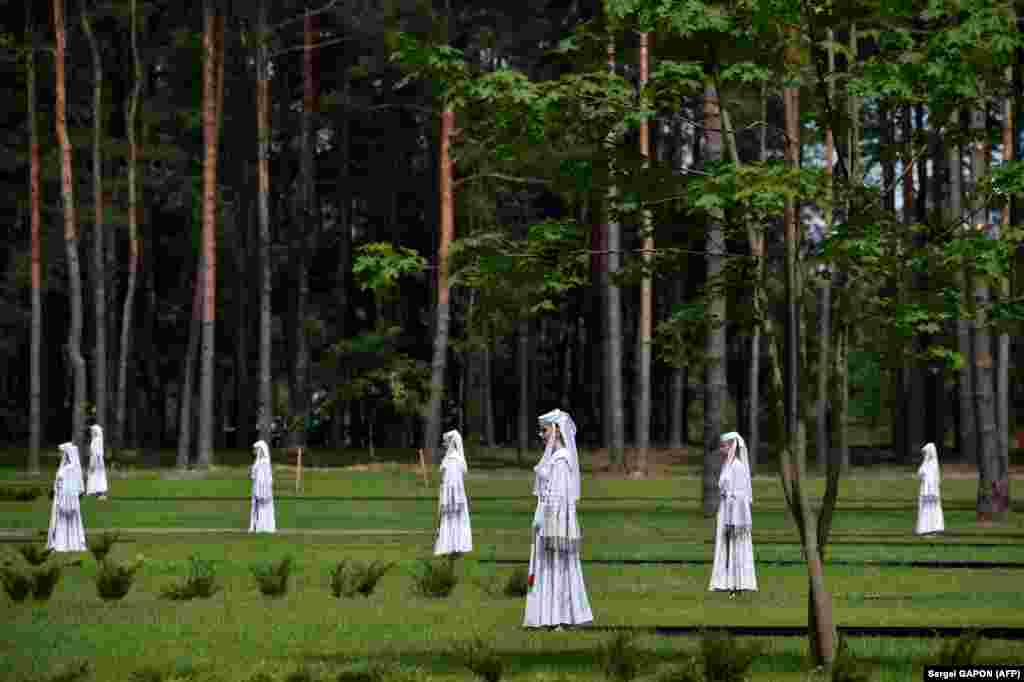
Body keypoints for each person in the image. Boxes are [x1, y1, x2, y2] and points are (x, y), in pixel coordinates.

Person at [524, 408, 593, 630]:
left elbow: (559, 500)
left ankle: (558, 618)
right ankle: (549, 617)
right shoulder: (554, 459)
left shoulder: (561, 461)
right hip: (547, 521)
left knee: (556, 568)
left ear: (555, 431)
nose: (541, 435)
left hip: (554, 524)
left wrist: (552, 529)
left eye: (544, 430)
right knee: (548, 568)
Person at [709, 432, 757, 596]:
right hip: (725, 509)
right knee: (725, 545)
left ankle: (738, 584)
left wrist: (735, 517)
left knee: (736, 546)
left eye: (724, 446)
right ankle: (725, 581)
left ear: (731, 447)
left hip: (735, 512)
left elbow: (742, 494)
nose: (721, 449)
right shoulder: (727, 465)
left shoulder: (738, 466)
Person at [434, 429, 473, 557]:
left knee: (452, 520)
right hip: (453, 496)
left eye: (446, 442)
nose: (444, 445)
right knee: (453, 520)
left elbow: (453, 483)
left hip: (453, 497)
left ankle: (453, 546)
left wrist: (450, 498)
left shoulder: (453, 460)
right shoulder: (452, 459)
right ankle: (452, 546)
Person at [47, 443, 87, 552]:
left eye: (62, 453)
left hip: (62, 499)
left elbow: (59, 484)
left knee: (61, 521)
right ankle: (74, 543)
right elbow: (79, 489)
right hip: (73, 501)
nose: (61, 455)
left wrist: (59, 493)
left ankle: (61, 543)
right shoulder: (75, 469)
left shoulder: (65, 470)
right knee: (73, 522)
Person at [915, 442, 944, 535]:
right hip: (925, 489)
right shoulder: (926, 463)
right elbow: (919, 474)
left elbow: (931, 479)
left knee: (931, 508)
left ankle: (933, 528)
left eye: (925, 452)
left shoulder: (933, 465)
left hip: (930, 491)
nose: (924, 455)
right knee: (925, 508)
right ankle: (925, 528)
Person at [249, 440, 276, 533]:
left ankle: (263, 526)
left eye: (256, 449)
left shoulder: (264, 462)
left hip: (262, 488)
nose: (255, 451)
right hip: (256, 486)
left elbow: (266, 478)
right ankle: (255, 525)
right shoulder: (258, 461)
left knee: (262, 507)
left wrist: (262, 490)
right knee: (255, 507)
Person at [86, 424, 109, 499]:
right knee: (95, 476)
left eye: (92, 431)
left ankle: (100, 493)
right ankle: (95, 491)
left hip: (96, 461)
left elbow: (97, 453)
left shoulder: (97, 440)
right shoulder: (95, 439)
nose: (91, 432)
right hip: (95, 460)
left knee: (98, 476)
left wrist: (94, 464)